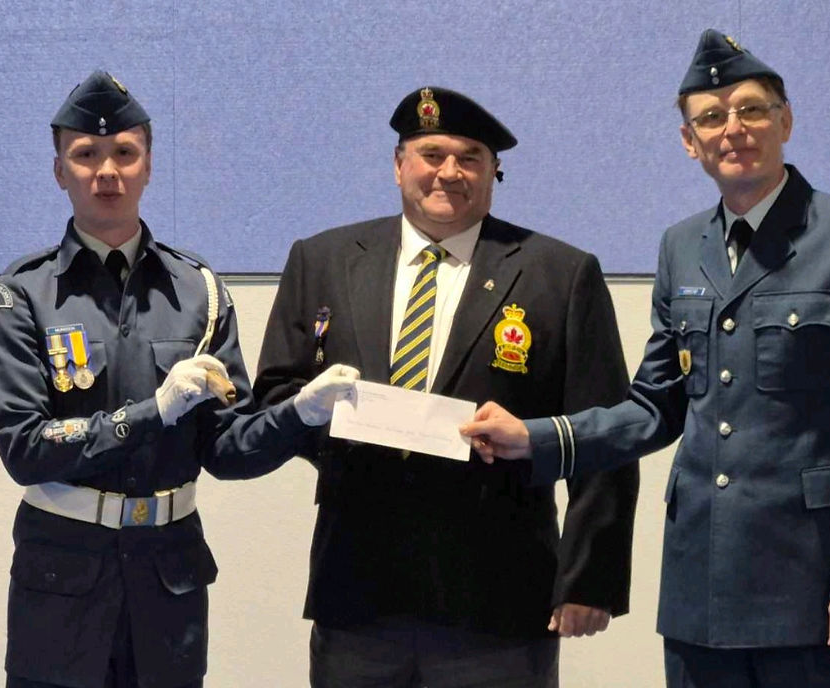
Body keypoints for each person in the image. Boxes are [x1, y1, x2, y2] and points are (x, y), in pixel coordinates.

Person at [462, 29, 830, 688]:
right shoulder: (682, 246)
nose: (732, 129)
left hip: (813, 587)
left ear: (785, 120)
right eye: (710, 117)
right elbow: (654, 406)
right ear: (690, 141)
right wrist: (534, 438)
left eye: (752, 109)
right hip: (699, 585)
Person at [252, 86, 639, 687]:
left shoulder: (559, 274)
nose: (449, 173)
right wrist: (333, 429)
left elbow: (609, 435)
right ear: (399, 163)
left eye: (470, 158)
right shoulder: (322, 259)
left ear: (494, 172)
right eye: (432, 154)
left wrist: (590, 579)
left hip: (500, 603)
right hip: (357, 593)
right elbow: (276, 395)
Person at [0, 70, 358, 688]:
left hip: (169, 578)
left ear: (149, 166)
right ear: (59, 171)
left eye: (125, 153)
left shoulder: (199, 291)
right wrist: (153, 410)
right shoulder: (23, 293)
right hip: (63, 581)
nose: (108, 171)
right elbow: (24, 449)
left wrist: (299, 417)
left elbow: (226, 450)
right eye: (86, 155)